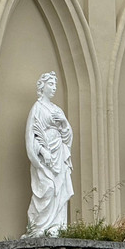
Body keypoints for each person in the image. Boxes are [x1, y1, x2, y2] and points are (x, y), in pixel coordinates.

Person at [25, 71, 74, 236]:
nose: (54, 88)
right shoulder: (37, 108)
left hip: (59, 153)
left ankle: (57, 225)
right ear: (42, 86)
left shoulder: (57, 109)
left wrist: (64, 122)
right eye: (51, 84)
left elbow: (67, 135)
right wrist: (42, 151)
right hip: (45, 157)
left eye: (55, 85)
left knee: (59, 189)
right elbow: (31, 136)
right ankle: (39, 227)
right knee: (46, 188)